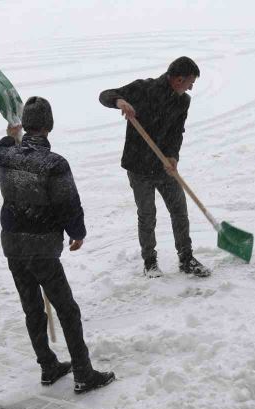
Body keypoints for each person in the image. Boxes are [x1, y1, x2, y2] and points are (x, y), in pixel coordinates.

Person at [0, 96, 114, 394]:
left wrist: (8, 139)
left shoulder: (5, 155)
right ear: (49, 126)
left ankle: (48, 365)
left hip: (13, 245)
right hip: (42, 248)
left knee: (32, 309)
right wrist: (77, 232)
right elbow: (68, 202)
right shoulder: (54, 163)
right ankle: (83, 372)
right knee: (67, 310)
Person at [99, 56, 211, 278]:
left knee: (179, 210)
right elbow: (105, 95)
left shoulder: (182, 102)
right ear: (178, 79)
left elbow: (177, 132)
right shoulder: (144, 89)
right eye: (190, 82)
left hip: (163, 166)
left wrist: (173, 156)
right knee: (147, 214)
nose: (191, 87)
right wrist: (119, 101)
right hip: (138, 166)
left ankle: (186, 258)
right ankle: (150, 262)